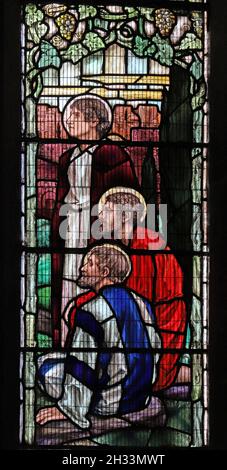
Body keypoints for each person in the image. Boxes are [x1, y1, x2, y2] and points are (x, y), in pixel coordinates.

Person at [65, 187, 189, 392]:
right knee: (76, 308)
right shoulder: (113, 244)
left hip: (159, 327)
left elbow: (135, 299)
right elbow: (115, 291)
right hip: (132, 320)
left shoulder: (149, 245)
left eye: (106, 210)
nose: (100, 215)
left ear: (124, 215)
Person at [36, 244, 161, 427]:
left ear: (104, 272)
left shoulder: (92, 311)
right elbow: (155, 348)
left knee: (44, 365)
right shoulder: (142, 304)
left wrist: (68, 409)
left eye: (90, 264)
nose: (82, 268)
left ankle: (75, 405)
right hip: (141, 396)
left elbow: (83, 364)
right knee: (59, 358)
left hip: (109, 402)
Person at [51, 94, 139, 346]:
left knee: (96, 279)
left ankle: (100, 344)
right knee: (70, 279)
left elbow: (127, 199)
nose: (68, 121)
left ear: (94, 121)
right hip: (71, 227)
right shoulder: (66, 158)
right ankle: (70, 341)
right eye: (69, 115)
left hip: (98, 229)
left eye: (76, 116)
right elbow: (62, 196)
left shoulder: (112, 154)